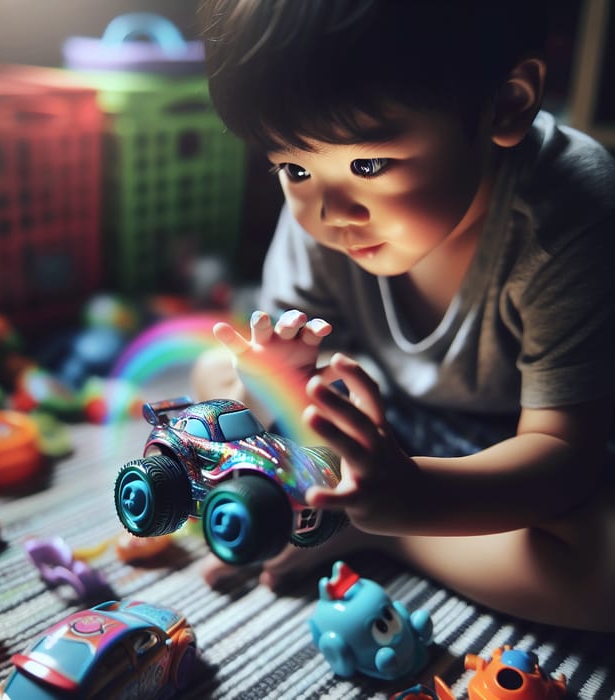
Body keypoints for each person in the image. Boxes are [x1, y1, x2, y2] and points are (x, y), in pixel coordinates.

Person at [192, 0, 615, 632]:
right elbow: (296, 377)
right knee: (213, 372)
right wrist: (275, 376)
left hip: (515, 450)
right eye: (293, 167)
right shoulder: (326, 210)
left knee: (605, 571)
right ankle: (362, 503)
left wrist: (415, 504)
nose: (332, 211)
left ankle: (384, 532)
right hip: (385, 422)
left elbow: (563, 456)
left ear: (505, 103)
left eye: (369, 165)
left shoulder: (569, 213)